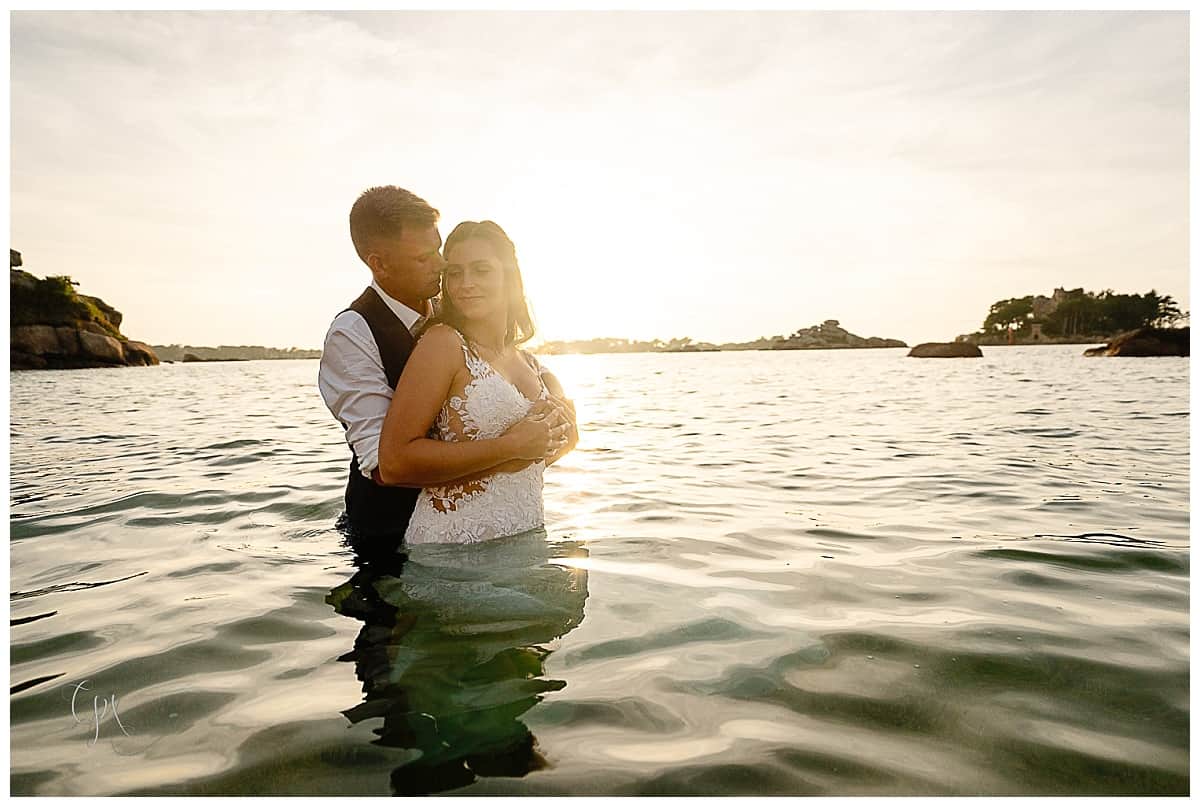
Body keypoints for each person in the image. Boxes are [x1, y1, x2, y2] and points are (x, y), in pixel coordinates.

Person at [318, 187, 573, 559]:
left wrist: (554, 402)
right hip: (388, 535)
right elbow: (385, 467)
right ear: (380, 263)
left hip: (505, 528)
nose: (442, 268)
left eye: (439, 251)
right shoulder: (353, 334)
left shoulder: (456, 304)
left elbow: (502, 369)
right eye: (424, 258)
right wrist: (510, 451)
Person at [378, 220, 575, 544]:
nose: (465, 284)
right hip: (454, 552)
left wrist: (562, 438)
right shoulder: (443, 344)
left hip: (524, 538)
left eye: (481, 270)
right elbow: (394, 463)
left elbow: (535, 456)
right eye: (454, 273)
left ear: (509, 276)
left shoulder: (530, 364)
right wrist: (511, 446)